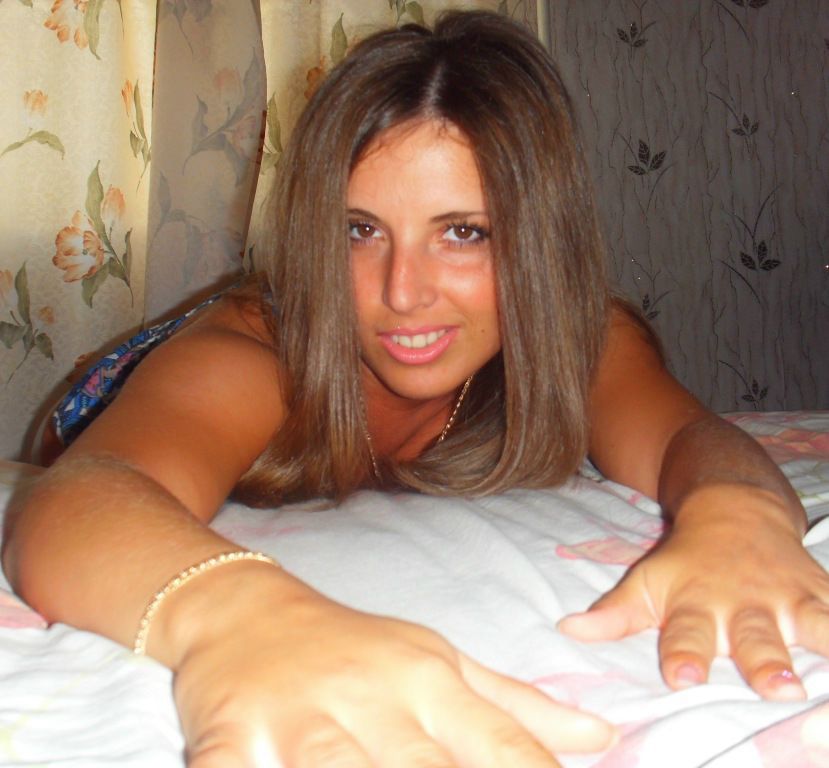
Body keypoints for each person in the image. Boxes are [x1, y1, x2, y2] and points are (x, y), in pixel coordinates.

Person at [4, 10, 828, 768]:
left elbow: (686, 436)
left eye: (463, 233)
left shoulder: (577, 336)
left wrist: (738, 511)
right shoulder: (258, 357)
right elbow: (84, 495)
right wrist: (236, 615)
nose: (402, 292)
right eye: (358, 230)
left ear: (538, 243)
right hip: (120, 402)